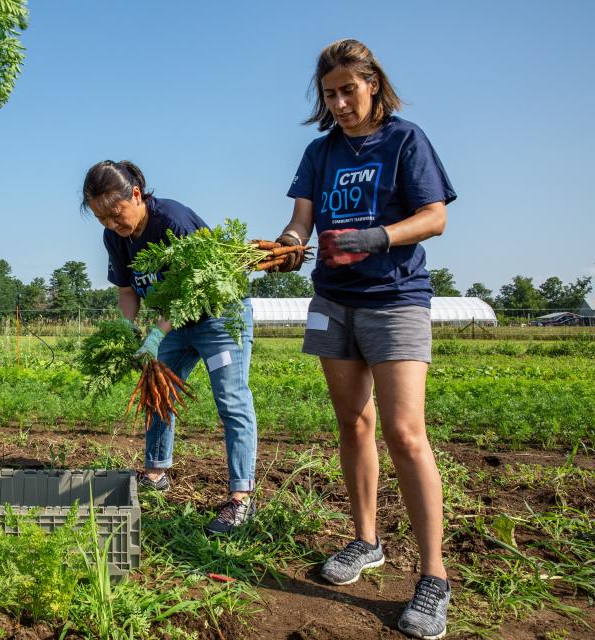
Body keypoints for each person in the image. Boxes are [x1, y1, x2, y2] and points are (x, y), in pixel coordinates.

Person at [275, 39, 456, 639]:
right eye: (330, 94)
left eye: (349, 90)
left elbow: (434, 216)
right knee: (353, 422)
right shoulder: (319, 151)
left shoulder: (406, 140)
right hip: (332, 301)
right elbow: (303, 217)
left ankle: (433, 576)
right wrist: (288, 244)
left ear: (373, 83)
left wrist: (375, 238)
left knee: (406, 433)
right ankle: (365, 541)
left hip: (395, 299)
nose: (340, 103)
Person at [82, 160, 258, 535]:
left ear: (135, 194)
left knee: (231, 399)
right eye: (102, 219)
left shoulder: (173, 222)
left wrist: (156, 333)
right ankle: (156, 471)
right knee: (157, 392)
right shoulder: (115, 238)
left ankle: (242, 498)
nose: (112, 225)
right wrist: (128, 327)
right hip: (171, 321)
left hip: (217, 317)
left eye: (115, 214)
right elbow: (127, 290)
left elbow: (189, 294)